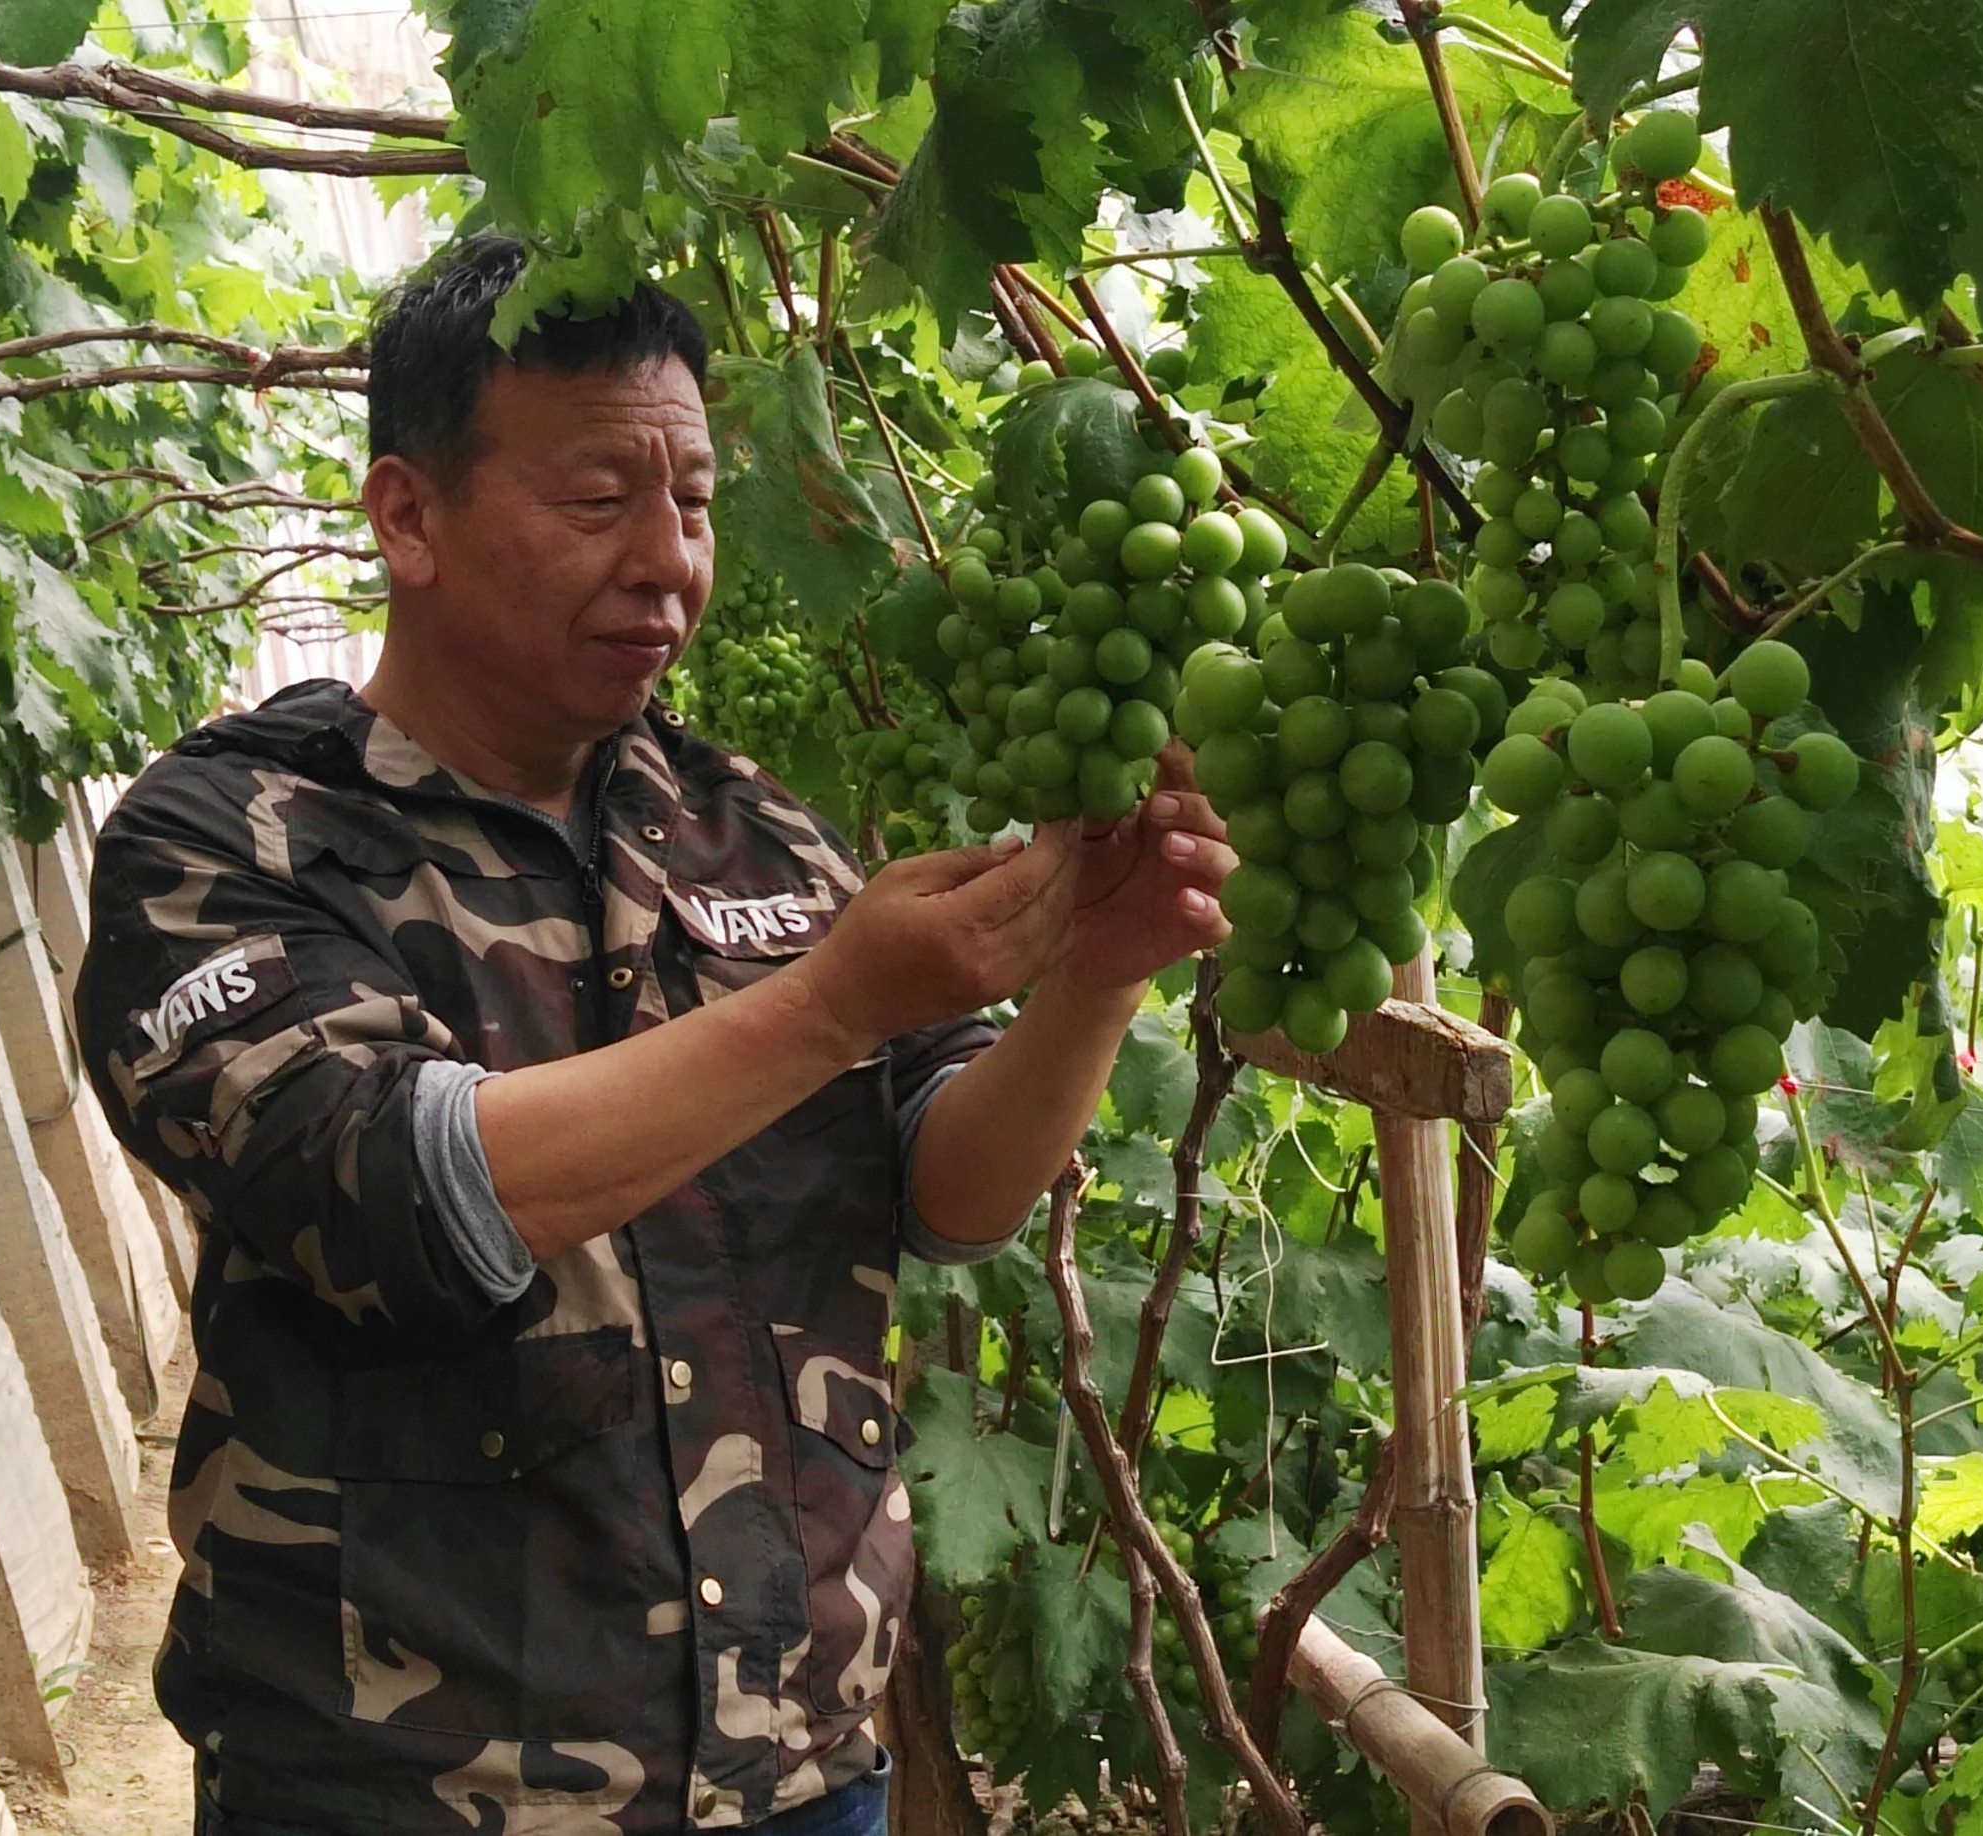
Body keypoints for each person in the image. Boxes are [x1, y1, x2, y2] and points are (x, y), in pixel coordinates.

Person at [76, 234, 1233, 1836]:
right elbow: (395, 1195)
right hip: (410, 1794)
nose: (667, 561)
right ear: (408, 515)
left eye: (691, 503)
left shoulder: (746, 827)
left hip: (797, 1774)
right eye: (599, 500)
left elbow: (950, 1194)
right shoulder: (234, 841)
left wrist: (1092, 981)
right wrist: (832, 1004)